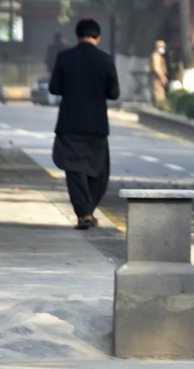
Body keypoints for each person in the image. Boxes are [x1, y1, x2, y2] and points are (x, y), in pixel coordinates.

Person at [49, 18, 120, 230]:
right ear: (98, 37)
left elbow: (54, 88)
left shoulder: (65, 58)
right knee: (99, 172)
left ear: (78, 36)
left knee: (75, 170)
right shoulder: (105, 60)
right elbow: (114, 93)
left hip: (69, 124)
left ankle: (84, 212)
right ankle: (87, 212)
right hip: (96, 126)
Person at [150, 40, 168, 108]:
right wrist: (162, 76)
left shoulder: (160, 56)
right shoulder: (156, 56)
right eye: (162, 47)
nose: (163, 48)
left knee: (160, 92)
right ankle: (158, 107)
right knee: (158, 93)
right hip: (157, 77)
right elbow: (157, 68)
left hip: (159, 77)